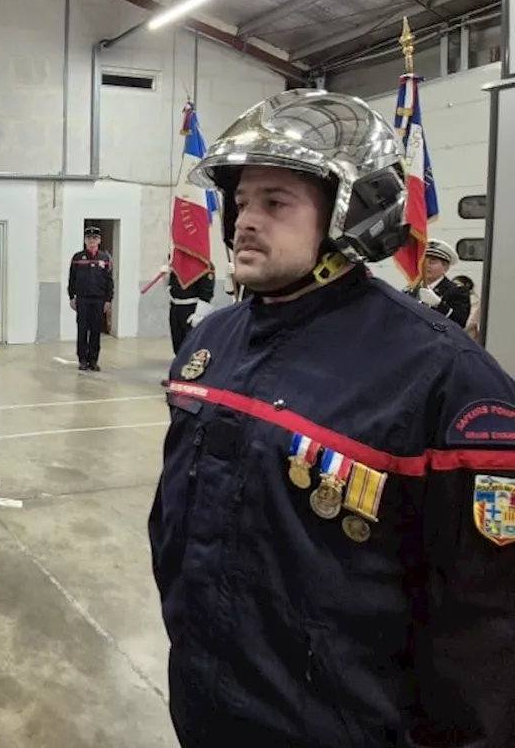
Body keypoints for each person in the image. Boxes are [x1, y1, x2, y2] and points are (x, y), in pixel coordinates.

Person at [147, 89, 515, 747]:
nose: (243, 221)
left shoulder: (442, 378)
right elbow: (174, 523)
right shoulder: (210, 344)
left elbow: (487, 631)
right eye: (241, 201)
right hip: (205, 704)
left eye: (275, 202)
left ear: (354, 215)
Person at [67, 222, 113, 371]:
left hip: (98, 300)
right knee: (82, 330)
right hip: (83, 299)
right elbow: (72, 279)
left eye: (94, 238)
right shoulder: (78, 257)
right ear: (85, 240)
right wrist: (72, 296)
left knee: (95, 330)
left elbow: (109, 281)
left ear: (99, 240)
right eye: (89, 238)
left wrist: (108, 299)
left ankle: (93, 360)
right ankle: (82, 359)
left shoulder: (105, 258)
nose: (91, 240)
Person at [405, 238, 471, 327]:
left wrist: (439, 304)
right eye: (423, 261)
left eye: (432, 261)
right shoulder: (411, 290)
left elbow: (459, 322)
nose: (426, 265)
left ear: (445, 267)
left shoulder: (458, 291)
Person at [167, 265, 215, 354]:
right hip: (175, 307)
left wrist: (199, 314)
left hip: (192, 309)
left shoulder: (204, 264)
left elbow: (207, 292)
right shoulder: (178, 262)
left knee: (192, 345)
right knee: (177, 342)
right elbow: (171, 286)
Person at [453, 273, 482, 341]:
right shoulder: (455, 299)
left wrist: (460, 331)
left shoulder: (474, 300)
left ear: (467, 285)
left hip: (467, 334)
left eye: (457, 285)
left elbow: (472, 321)